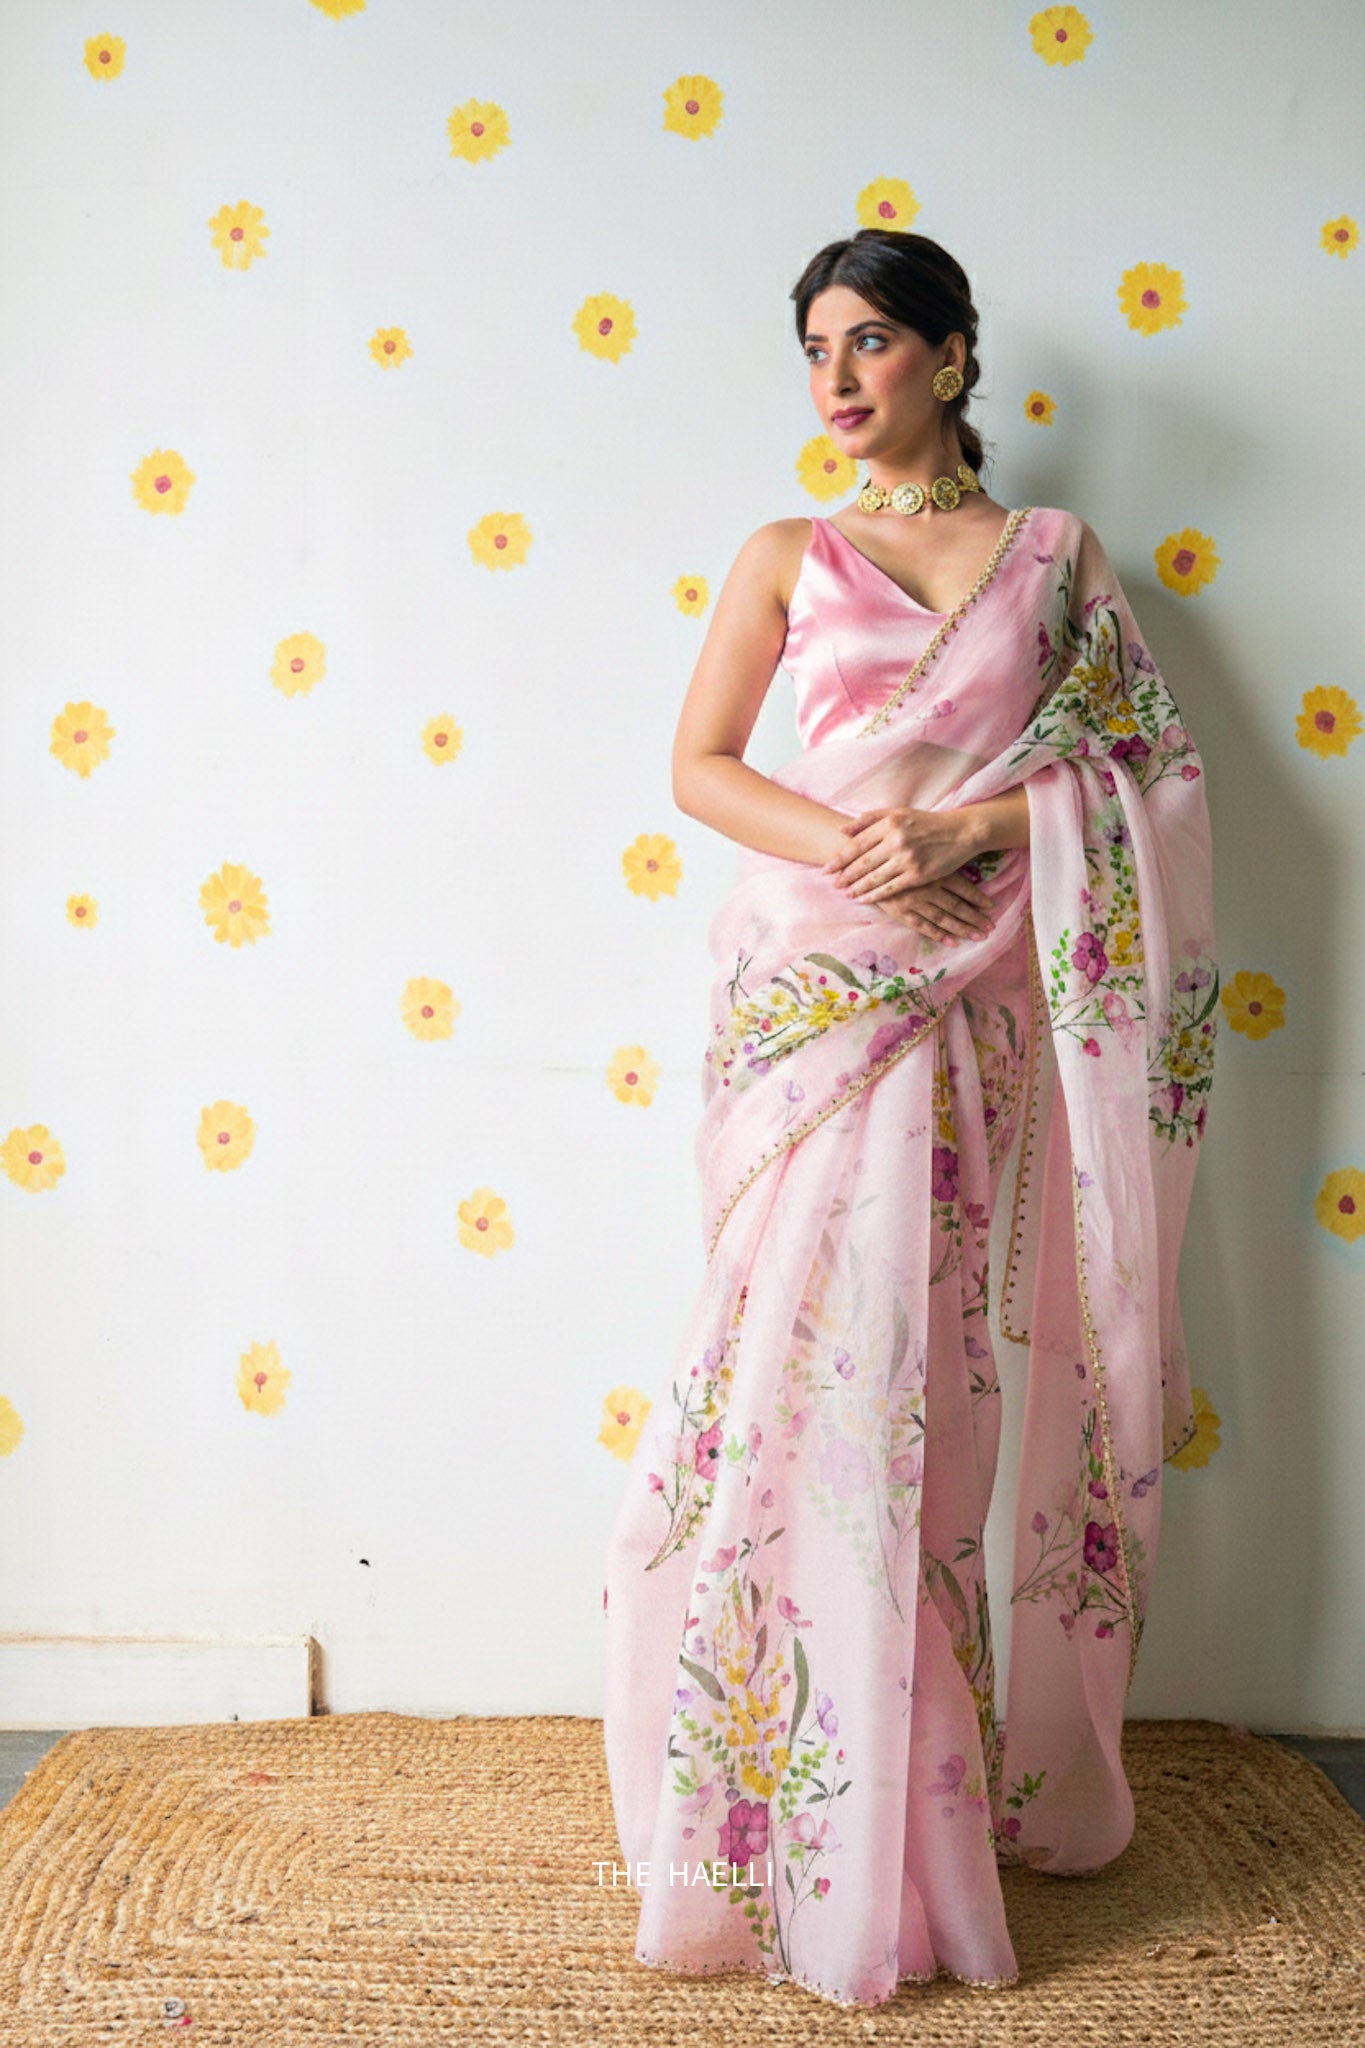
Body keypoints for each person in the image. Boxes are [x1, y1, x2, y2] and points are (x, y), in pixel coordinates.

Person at [601, 228, 1218, 2011]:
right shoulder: (781, 554)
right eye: (815, 348)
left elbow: (1146, 776)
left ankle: (907, 1822)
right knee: (779, 1378)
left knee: (922, 1393)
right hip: (812, 999)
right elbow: (700, 767)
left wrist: (968, 832)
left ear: (951, 357)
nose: (837, 377)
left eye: (870, 341)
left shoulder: (1054, 560)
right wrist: (863, 849)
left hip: (965, 1009)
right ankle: (758, 1811)